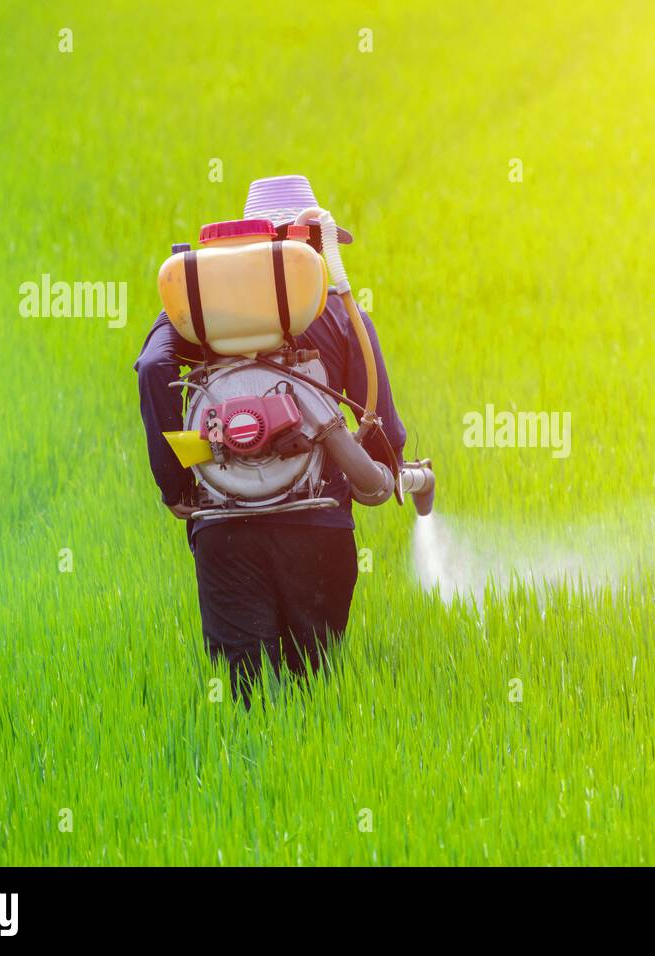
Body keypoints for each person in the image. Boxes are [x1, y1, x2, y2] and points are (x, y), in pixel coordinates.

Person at [134, 175, 407, 707]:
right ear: (307, 243)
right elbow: (385, 437)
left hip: (223, 531)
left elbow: (153, 367)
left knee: (247, 700)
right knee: (313, 696)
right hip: (318, 525)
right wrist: (387, 470)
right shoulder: (339, 311)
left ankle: (250, 777)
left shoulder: (200, 312)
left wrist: (176, 486)